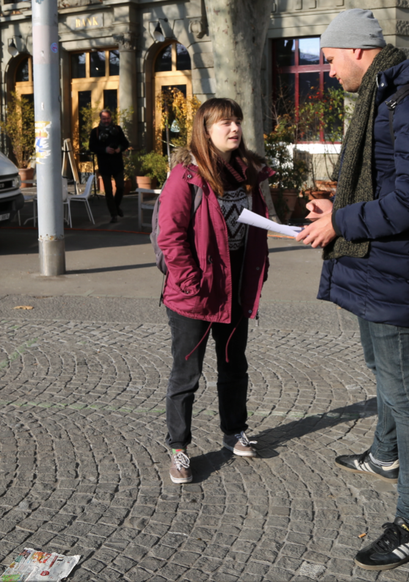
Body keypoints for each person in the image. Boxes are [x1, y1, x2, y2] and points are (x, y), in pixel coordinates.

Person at [296, 9, 409, 572]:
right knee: (380, 366)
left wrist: (340, 223)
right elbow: (390, 186)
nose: (327, 70)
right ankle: (383, 455)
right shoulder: (382, 96)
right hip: (377, 265)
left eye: (329, 59)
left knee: (404, 391)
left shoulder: (407, 101)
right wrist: (338, 208)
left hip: (395, 268)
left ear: (358, 52)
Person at [157, 98, 273, 484]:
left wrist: (260, 267)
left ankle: (234, 432)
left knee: (233, 365)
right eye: (224, 122)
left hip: (237, 286)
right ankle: (178, 447)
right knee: (186, 374)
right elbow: (170, 238)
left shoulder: (247, 173)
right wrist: (191, 284)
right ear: (205, 131)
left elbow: (256, 226)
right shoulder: (186, 177)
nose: (234, 128)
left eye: (237, 120)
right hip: (195, 292)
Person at [89, 110, 130, 223]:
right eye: (104, 119)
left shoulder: (117, 129)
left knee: (121, 187)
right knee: (108, 190)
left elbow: (126, 143)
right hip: (104, 164)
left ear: (111, 118)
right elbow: (92, 147)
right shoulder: (95, 132)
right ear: (100, 119)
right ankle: (113, 214)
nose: (106, 121)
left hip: (117, 163)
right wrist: (105, 150)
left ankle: (116, 207)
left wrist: (119, 149)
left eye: (108, 118)